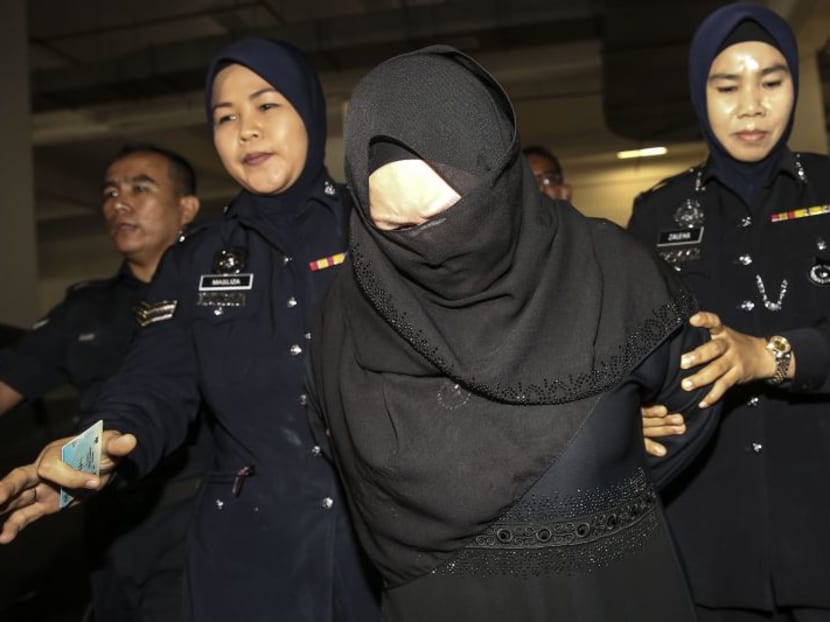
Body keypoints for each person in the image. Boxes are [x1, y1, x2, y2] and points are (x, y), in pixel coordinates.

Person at [308, 45, 719, 621]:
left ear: (498, 184)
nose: (427, 249)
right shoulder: (345, 315)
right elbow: (336, 447)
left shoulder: (609, 269)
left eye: (443, 220)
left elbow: (699, 384)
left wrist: (610, 471)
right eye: (396, 230)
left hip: (607, 590)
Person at [0, 39, 379, 621]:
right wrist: (88, 451)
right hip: (248, 563)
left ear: (307, 110)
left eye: (266, 106)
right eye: (225, 117)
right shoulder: (195, 261)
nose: (245, 130)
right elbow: (152, 381)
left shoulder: (376, 231)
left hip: (378, 549)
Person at [628, 4, 830, 620]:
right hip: (711, 548)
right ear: (700, 93)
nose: (751, 106)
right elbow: (624, 357)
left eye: (771, 81)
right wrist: (625, 423)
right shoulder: (656, 216)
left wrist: (766, 355)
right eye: (727, 86)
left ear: (795, 85)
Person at [0, 143, 210, 621]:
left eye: (141, 188)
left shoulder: (222, 300)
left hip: (196, 521)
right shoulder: (84, 310)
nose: (120, 202)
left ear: (187, 208)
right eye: (111, 192)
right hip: (105, 524)